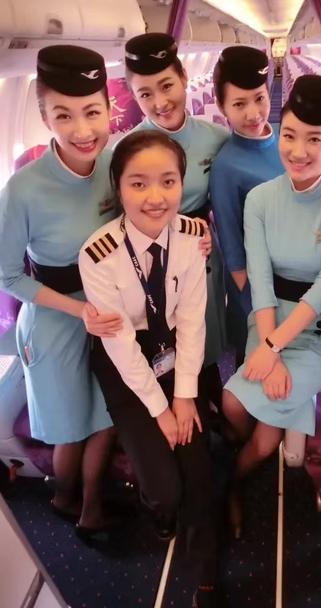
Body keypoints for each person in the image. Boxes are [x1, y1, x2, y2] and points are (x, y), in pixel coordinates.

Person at [79, 130, 218, 608]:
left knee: (198, 472)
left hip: (176, 351)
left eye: (168, 181)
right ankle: (157, 507)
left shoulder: (193, 236)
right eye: (138, 184)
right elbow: (119, 344)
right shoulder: (98, 253)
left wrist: (184, 397)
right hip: (125, 360)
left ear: (182, 183)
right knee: (164, 489)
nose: (155, 197)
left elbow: (194, 319)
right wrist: (161, 410)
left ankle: (206, 578)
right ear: (118, 188)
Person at [0, 45, 117, 539]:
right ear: (45, 118)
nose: (82, 130)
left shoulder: (116, 165)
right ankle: (65, 499)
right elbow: (6, 277)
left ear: (110, 109)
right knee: (70, 426)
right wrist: (77, 309)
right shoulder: (23, 189)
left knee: (106, 416)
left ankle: (93, 508)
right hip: (52, 315)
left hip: (109, 311)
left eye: (92, 112)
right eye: (64, 115)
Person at [222, 75, 321, 537]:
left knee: (265, 437)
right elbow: (259, 280)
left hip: (317, 329)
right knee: (231, 403)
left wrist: (275, 348)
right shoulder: (260, 199)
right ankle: (242, 453)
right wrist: (268, 346)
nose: (298, 151)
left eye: (314, 139)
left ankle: (230, 485)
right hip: (268, 315)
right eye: (290, 135)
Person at [122, 32, 229, 405]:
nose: (160, 102)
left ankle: (211, 403)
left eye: (166, 85)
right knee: (167, 338)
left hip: (202, 250)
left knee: (206, 335)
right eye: (145, 94)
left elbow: (224, 204)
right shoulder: (128, 149)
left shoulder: (216, 138)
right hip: (153, 255)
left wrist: (214, 234)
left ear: (184, 77)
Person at [209, 46, 284, 360]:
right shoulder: (226, 165)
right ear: (221, 106)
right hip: (256, 280)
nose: (253, 114)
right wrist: (252, 301)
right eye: (239, 104)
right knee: (257, 359)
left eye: (260, 98)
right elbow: (230, 243)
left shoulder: (287, 138)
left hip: (297, 269)